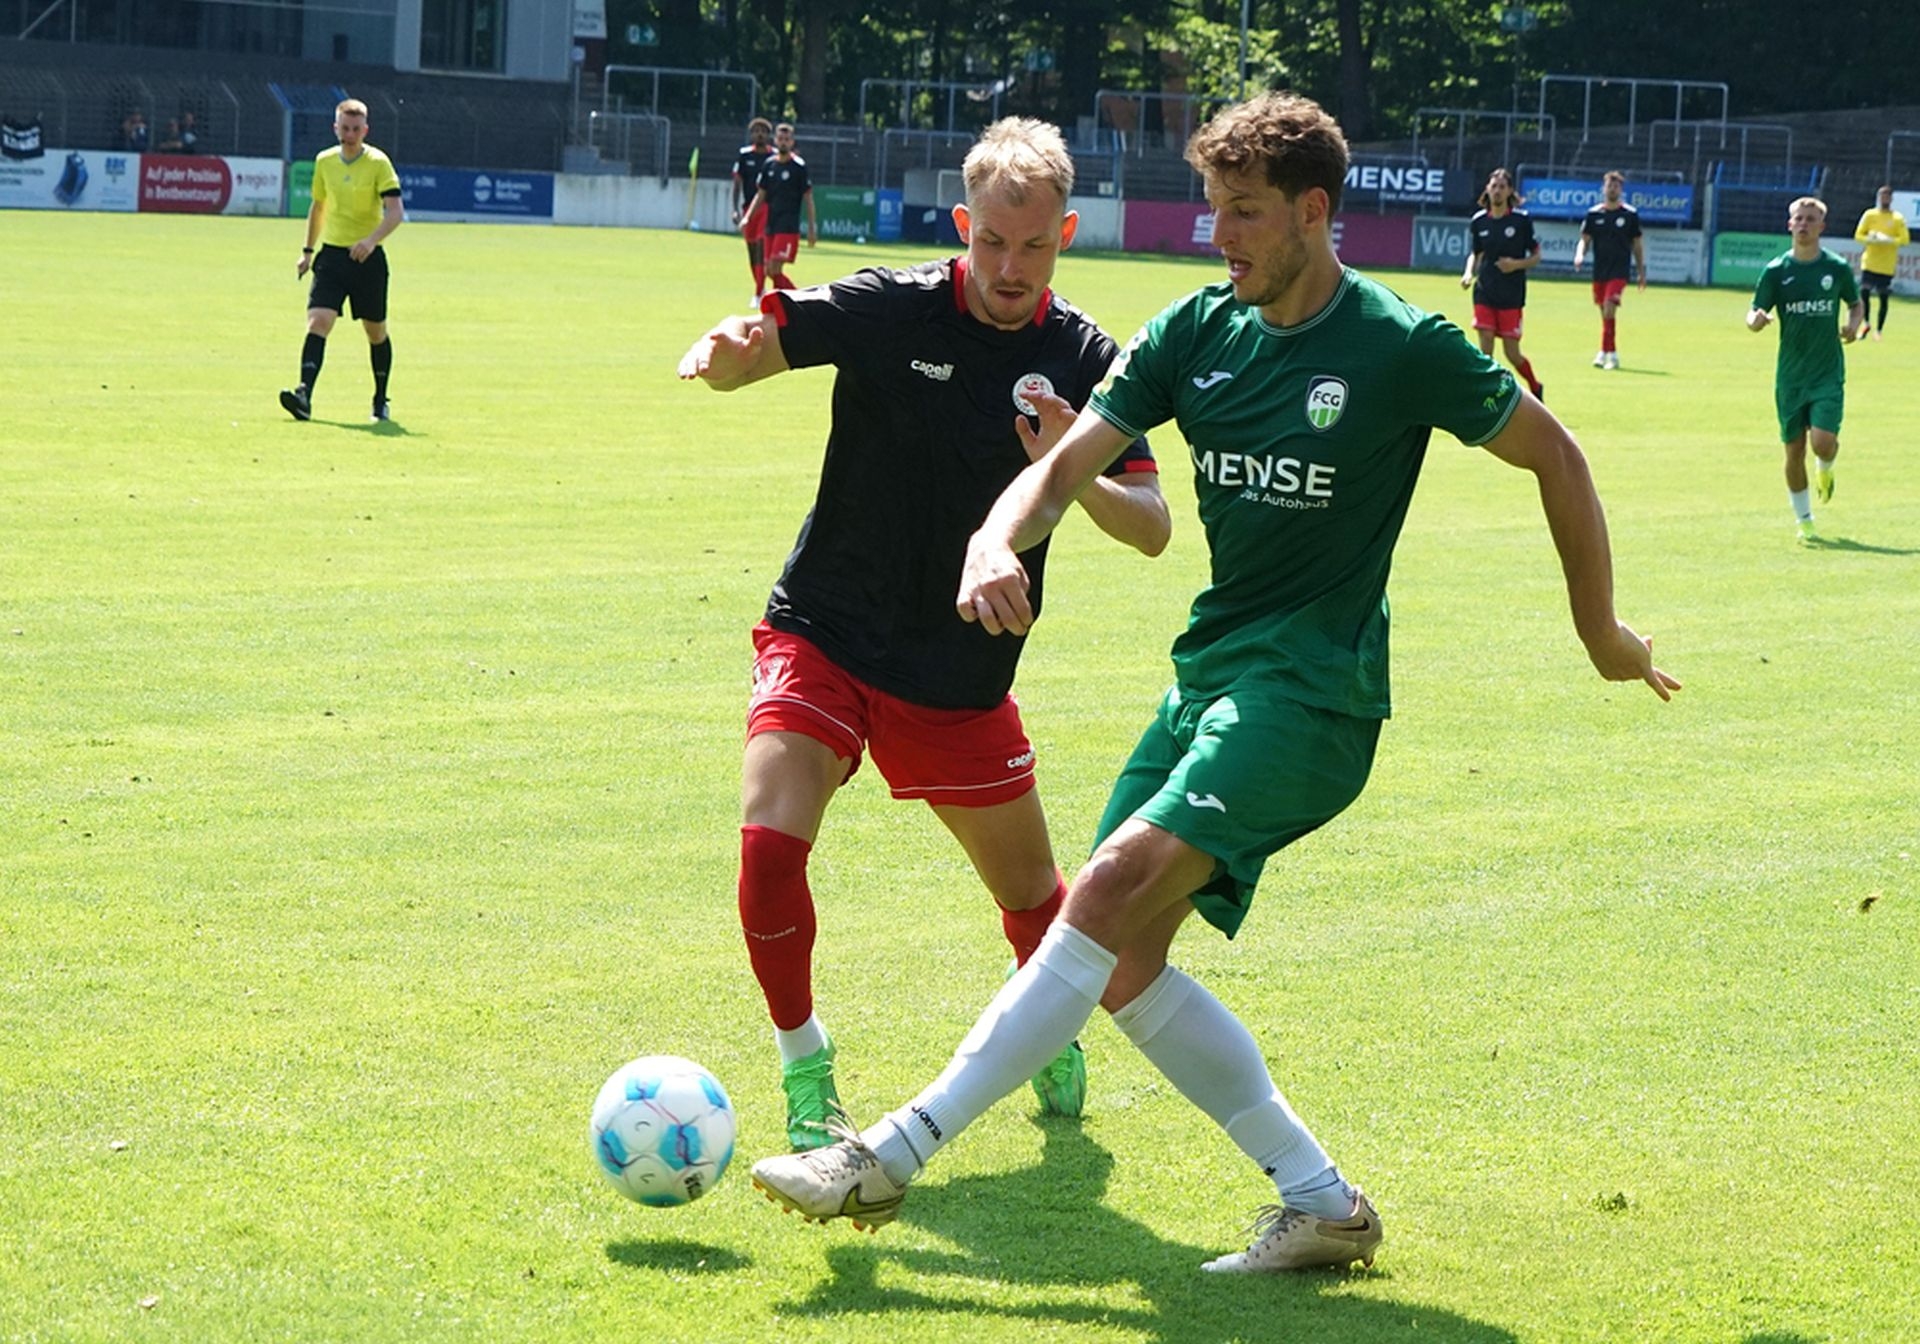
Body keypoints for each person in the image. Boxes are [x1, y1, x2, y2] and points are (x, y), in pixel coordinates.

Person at [750, 91, 1679, 1273]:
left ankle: (884, 1157)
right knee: (1122, 962)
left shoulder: (1398, 344)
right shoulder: (1197, 330)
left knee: (1101, 896)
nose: (1219, 234)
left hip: (1315, 692)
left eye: (1243, 212)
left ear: (1312, 211)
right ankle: (1323, 1204)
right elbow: (1068, 465)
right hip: (1212, 677)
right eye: (1213, 210)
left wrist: (1601, 631)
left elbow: (1556, 451)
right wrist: (995, 537)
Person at [678, 118, 1171, 1151]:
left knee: (1036, 904)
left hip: (959, 671)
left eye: (1032, 246)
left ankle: (1043, 1029)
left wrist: (1069, 468)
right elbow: (763, 343)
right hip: (825, 628)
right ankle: (806, 1068)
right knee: (769, 846)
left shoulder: (1087, 359)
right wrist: (725, 356)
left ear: (1066, 234)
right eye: (991, 241)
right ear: (962, 225)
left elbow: (1152, 526)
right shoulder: (888, 305)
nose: (1009, 267)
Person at [280, 98, 404, 424]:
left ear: (366, 130)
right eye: (345, 128)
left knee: (375, 332)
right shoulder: (325, 161)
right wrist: (308, 251)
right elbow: (319, 206)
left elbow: (395, 213)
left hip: (368, 260)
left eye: (355, 129)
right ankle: (304, 395)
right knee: (318, 322)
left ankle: (380, 399)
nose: (350, 135)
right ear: (335, 128)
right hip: (332, 257)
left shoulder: (378, 163)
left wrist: (371, 241)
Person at [1747, 196, 1863, 543]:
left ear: (1821, 227)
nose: (1803, 224)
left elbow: (1855, 304)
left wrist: (1852, 325)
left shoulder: (1836, 268)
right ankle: (1805, 521)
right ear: (1789, 224)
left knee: (1822, 443)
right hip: (1790, 376)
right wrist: (1756, 320)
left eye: (1811, 219)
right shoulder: (1776, 271)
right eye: (1798, 219)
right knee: (1793, 450)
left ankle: (1826, 465)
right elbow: (1754, 312)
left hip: (1826, 372)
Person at [1460, 168, 1544, 401]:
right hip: (1485, 290)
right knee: (1485, 344)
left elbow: (1536, 256)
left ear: (1509, 192)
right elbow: (1476, 253)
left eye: (1502, 187)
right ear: (1487, 189)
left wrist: (1515, 265)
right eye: (1494, 186)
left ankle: (1535, 386)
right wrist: (1468, 273)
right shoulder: (1479, 221)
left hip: (1511, 294)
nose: (1497, 190)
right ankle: (1486, 393)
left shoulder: (1521, 220)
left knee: (1512, 353)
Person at [1573, 170, 1646, 369]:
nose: (1612, 189)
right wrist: (1579, 255)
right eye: (1609, 186)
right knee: (1605, 314)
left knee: (1608, 307)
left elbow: (1637, 245)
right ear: (1603, 189)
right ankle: (1604, 352)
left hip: (1619, 272)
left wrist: (1641, 271)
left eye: (1616, 186)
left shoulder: (1629, 215)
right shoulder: (1594, 214)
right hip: (1600, 271)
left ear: (1621, 190)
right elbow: (1584, 240)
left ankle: (1611, 355)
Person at [738, 123, 816, 294]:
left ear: (792, 142)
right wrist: (747, 217)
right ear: (775, 140)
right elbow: (760, 194)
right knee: (769, 270)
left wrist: (812, 228)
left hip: (788, 227)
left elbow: (808, 198)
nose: (783, 142)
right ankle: (787, 303)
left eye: (787, 139)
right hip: (771, 225)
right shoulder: (769, 165)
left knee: (773, 268)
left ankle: (799, 299)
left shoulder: (798, 167)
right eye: (780, 139)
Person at [1851, 184, 1909, 341]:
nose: (1884, 199)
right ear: (1878, 198)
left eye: (1887, 197)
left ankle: (1879, 330)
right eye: (1882, 196)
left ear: (1891, 199)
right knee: (1864, 292)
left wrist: (1889, 240)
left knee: (1883, 296)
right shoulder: (1870, 215)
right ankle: (1866, 323)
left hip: (1886, 265)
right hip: (1869, 262)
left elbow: (1905, 239)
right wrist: (1870, 238)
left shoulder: (1897, 218)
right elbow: (1858, 235)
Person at [732, 117, 776, 303]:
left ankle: (758, 293)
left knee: (760, 245)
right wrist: (735, 209)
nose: (760, 134)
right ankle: (760, 286)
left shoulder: (774, 157)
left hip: (767, 207)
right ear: (751, 134)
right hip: (748, 208)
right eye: (756, 131)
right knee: (752, 250)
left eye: (763, 131)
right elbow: (737, 184)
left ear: (768, 135)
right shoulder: (744, 156)